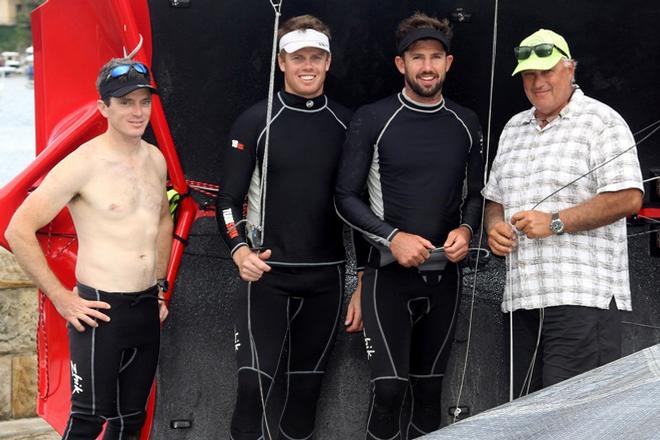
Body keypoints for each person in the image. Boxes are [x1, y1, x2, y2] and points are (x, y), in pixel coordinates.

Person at [335, 12, 484, 439]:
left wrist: (468, 231)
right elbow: (345, 197)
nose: (427, 66)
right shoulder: (373, 118)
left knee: (429, 396)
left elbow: (475, 194)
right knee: (388, 391)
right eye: (417, 57)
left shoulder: (466, 122)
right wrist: (392, 237)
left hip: (445, 278)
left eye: (435, 57)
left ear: (448, 63)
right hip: (388, 277)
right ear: (401, 64)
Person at [5, 58, 172, 439]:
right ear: (103, 108)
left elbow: (163, 218)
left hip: (146, 307)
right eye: (126, 102)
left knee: (131, 421)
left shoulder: (155, 159)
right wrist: (62, 299)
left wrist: (160, 284)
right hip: (99, 312)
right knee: (87, 421)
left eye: (144, 101)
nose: (137, 111)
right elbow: (19, 230)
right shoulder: (82, 164)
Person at [215, 15, 359, 440]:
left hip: (327, 278)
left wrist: (364, 279)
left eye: (316, 57)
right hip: (267, 278)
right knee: (252, 391)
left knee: (304, 399)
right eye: (299, 58)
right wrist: (239, 250)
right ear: (282, 62)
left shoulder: (347, 124)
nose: (307, 66)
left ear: (329, 62)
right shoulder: (255, 121)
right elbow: (226, 202)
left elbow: (362, 206)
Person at [483, 29, 644, 397]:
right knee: (527, 419)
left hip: (581, 301)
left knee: (573, 423)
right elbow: (494, 200)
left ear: (570, 69)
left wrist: (555, 222)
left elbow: (629, 198)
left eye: (547, 71)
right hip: (522, 302)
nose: (538, 82)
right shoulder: (513, 129)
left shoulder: (602, 121)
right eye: (529, 74)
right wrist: (494, 227)